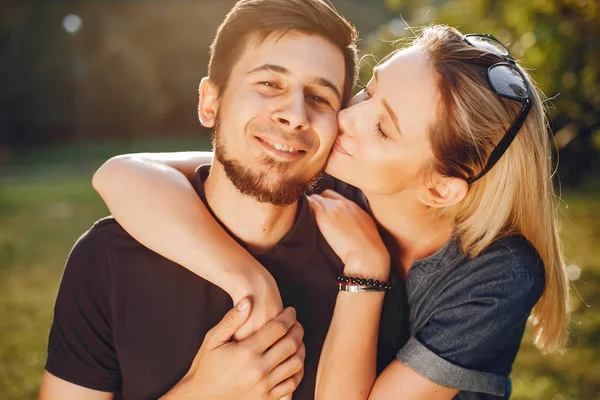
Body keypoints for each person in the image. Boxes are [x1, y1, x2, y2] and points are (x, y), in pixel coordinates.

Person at [93, 25, 570, 399]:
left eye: (382, 127)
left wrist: (366, 270)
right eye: (369, 90)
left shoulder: (497, 274)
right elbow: (123, 175)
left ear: (439, 189)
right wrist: (249, 283)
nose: (345, 116)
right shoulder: (339, 174)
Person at [39, 1, 408, 399]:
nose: (295, 115)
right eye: (269, 84)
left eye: (320, 97)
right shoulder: (108, 256)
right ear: (209, 102)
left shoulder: (368, 263)